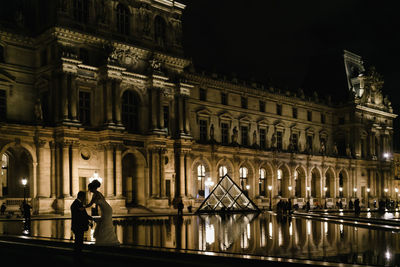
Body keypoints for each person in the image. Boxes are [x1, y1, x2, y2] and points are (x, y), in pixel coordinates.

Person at [85, 180, 120, 246]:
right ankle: (106, 239)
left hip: (106, 210)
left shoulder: (96, 195)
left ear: (92, 188)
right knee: (104, 223)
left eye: (89, 189)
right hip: (106, 209)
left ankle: (107, 240)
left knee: (105, 223)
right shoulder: (98, 193)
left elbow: (90, 204)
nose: (89, 190)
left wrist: (83, 207)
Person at [71, 191, 93, 260]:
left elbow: (83, 215)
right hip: (78, 226)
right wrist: (89, 220)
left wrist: (90, 218)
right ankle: (78, 256)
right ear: (81, 196)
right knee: (79, 242)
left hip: (77, 226)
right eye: (84, 197)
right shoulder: (77, 204)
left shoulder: (76, 203)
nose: (84, 199)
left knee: (78, 241)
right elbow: (82, 216)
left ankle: (77, 255)